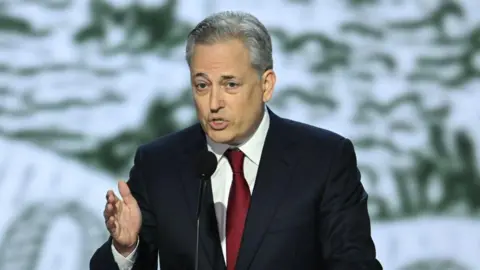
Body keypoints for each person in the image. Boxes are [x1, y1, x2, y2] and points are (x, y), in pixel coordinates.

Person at [89, 11, 382, 270]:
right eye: (202, 86)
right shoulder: (159, 164)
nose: (214, 102)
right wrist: (125, 249)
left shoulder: (324, 160)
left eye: (230, 84)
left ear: (266, 85)